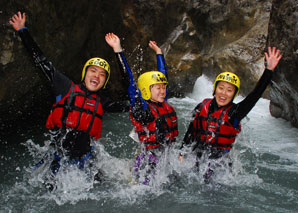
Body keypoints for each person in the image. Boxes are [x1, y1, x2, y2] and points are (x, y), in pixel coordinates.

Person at [9, 12, 129, 189]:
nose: (97, 75)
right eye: (93, 71)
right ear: (85, 73)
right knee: (49, 191)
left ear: (104, 82)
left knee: (102, 189)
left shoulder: (103, 103)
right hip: (59, 159)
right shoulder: (66, 87)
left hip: (87, 160)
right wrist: (23, 31)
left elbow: (132, 97)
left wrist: (118, 50)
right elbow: (41, 61)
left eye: (102, 74)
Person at [179, 46, 282, 182]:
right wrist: (181, 153)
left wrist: (268, 71)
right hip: (197, 160)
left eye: (229, 90)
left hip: (220, 166)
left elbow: (255, 95)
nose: (223, 93)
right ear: (215, 89)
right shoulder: (201, 106)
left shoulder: (235, 112)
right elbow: (191, 131)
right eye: (221, 88)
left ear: (233, 95)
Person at [105, 33, 178, 185]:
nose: (162, 90)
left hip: (165, 157)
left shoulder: (162, 103)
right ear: (146, 90)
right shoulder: (143, 108)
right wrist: (118, 50)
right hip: (147, 160)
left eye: (163, 87)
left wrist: (159, 53)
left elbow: (163, 75)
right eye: (157, 88)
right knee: (145, 188)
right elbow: (128, 80)